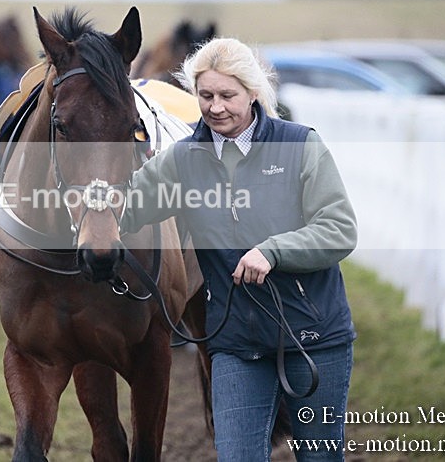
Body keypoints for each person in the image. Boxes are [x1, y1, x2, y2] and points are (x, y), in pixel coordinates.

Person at [121, 37, 357, 461]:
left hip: (313, 337)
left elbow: (339, 230)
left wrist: (274, 251)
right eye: (205, 95)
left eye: (227, 95)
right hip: (235, 344)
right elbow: (127, 208)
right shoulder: (182, 160)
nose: (215, 107)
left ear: (253, 93)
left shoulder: (301, 146)